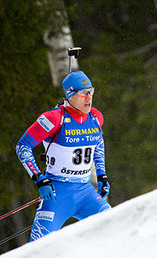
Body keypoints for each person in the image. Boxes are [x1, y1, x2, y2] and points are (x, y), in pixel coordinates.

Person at [16, 70, 111, 241]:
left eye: (91, 92)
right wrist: (39, 179)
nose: (89, 98)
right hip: (57, 193)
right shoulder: (53, 118)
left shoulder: (96, 117)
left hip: (86, 192)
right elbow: (23, 147)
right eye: (83, 93)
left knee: (115, 227)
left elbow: (98, 145)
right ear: (69, 94)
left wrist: (102, 174)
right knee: (38, 247)